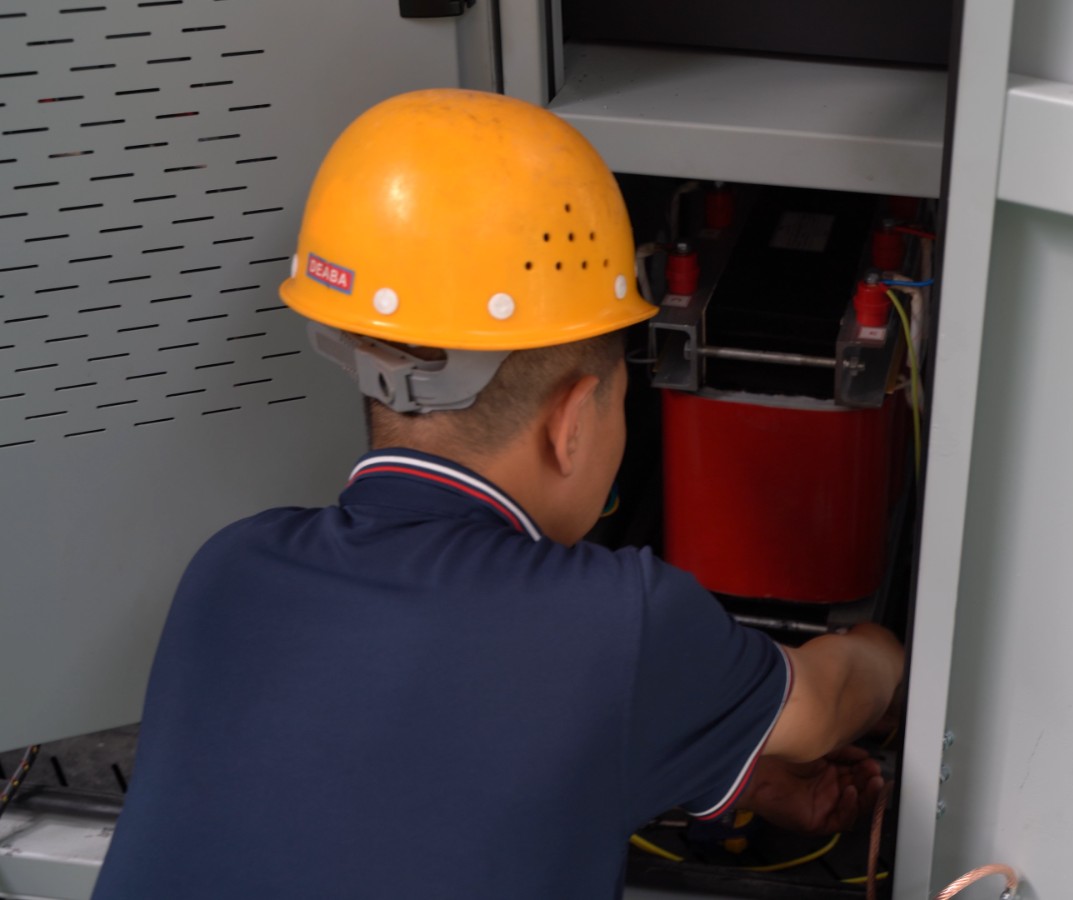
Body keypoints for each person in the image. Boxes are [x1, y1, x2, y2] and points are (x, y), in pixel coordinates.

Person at [92, 89, 905, 899]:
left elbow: (397, 767)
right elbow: (827, 702)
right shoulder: (620, 621)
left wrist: (731, 768)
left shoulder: (230, 569)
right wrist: (890, 646)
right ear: (572, 420)